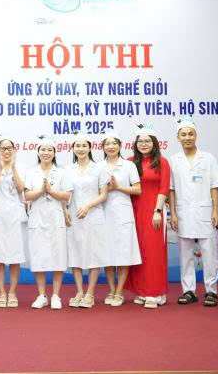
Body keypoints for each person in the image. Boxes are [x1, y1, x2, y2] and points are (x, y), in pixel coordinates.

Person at [169, 117, 218, 307]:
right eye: (183, 134)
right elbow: (171, 190)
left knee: (209, 254)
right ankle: (189, 290)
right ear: (178, 138)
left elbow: (215, 186)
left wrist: (216, 211)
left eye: (190, 134)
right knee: (185, 255)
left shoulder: (208, 158)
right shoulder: (173, 161)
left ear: (196, 136)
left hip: (205, 212)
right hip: (183, 213)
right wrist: (173, 213)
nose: (187, 137)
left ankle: (211, 291)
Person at [126, 124, 171, 309]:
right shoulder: (130, 162)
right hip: (134, 211)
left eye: (147, 141)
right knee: (139, 252)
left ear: (154, 143)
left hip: (153, 211)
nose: (143, 144)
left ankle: (155, 293)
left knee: (154, 252)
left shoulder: (162, 162)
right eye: (140, 141)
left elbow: (164, 188)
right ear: (135, 144)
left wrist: (157, 211)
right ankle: (141, 291)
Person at [24, 137, 71, 309]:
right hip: (37, 217)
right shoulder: (31, 172)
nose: (46, 153)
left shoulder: (62, 172)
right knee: (39, 256)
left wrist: (50, 191)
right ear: (38, 152)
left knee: (58, 256)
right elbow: (27, 195)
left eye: (49, 150)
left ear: (54, 153)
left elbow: (67, 195)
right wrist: (41, 191)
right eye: (43, 149)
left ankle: (56, 295)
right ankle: (41, 295)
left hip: (56, 217)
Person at [66, 133, 109, 308]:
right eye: (77, 146)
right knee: (75, 253)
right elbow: (66, 194)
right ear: (73, 148)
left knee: (93, 254)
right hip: (74, 216)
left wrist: (88, 206)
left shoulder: (99, 169)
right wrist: (65, 210)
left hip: (93, 215)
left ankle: (90, 293)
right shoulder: (68, 170)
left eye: (84, 145)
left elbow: (104, 194)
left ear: (90, 147)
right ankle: (79, 292)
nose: (81, 149)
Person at [0, 136, 27, 308]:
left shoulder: (21, 167)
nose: (7, 151)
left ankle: (13, 292)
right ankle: (2, 292)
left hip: (15, 216)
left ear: (14, 151)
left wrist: (13, 168)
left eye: (10, 148)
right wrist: (0, 169)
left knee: (15, 256)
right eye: (3, 148)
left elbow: (21, 189)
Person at [99, 131, 142, 307]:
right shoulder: (98, 167)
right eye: (107, 144)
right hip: (103, 214)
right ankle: (111, 290)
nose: (111, 146)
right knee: (107, 254)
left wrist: (118, 187)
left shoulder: (129, 166)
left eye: (114, 143)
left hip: (124, 214)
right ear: (102, 147)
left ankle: (119, 291)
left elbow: (137, 190)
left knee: (124, 253)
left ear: (120, 146)